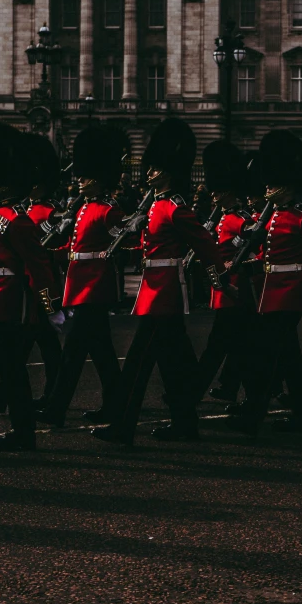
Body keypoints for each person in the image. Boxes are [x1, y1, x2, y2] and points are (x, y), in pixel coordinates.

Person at [92, 117, 230, 446]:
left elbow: (204, 243)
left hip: (164, 291)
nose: (149, 174)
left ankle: (123, 425)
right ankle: (185, 422)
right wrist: (123, 235)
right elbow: (146, 246)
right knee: (174, 362)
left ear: (166, 171)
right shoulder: (156, 205)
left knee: (138, 362)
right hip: (154, 286)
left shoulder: (173, 207)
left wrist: (220, 276)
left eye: (154, 169)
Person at [226, 130, 302, 437]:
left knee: (266, 357)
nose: (267, 188)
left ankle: (252, 414)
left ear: (288, 185)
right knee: (288, 360)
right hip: (268, 292)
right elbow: (267, 254)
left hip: (290, 293)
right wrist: (243, 263)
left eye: (272, 183)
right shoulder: (272, 216)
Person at [0, 121, 63, 455]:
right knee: (1, 372)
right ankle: (21, 431)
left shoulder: (16, 219)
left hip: (5, 305)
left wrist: (48, 305)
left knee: (12, 373)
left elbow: (38, 265)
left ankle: (23, 432)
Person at [36, 127, 125, 428]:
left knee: (74, 353)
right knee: (101, 354)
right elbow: (74, 249)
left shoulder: (107, 211)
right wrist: (49, 252)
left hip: (95, 289)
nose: (80, 180)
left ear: (97, 179)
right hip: (81, 285)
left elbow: (119, 245)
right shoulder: (84, 208)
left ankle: (55, 409)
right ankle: (115, 405)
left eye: (85, 177)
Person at [191, 140, 253, 404]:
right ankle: (236, 390)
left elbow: (255, 252)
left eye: (218, 190)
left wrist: (232, 265)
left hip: (235, 290)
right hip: (223, 290)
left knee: (216, 347)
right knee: (239, 346)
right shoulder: (224, 218)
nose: (213, 194)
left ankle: (191, 394)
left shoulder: (240, 220)